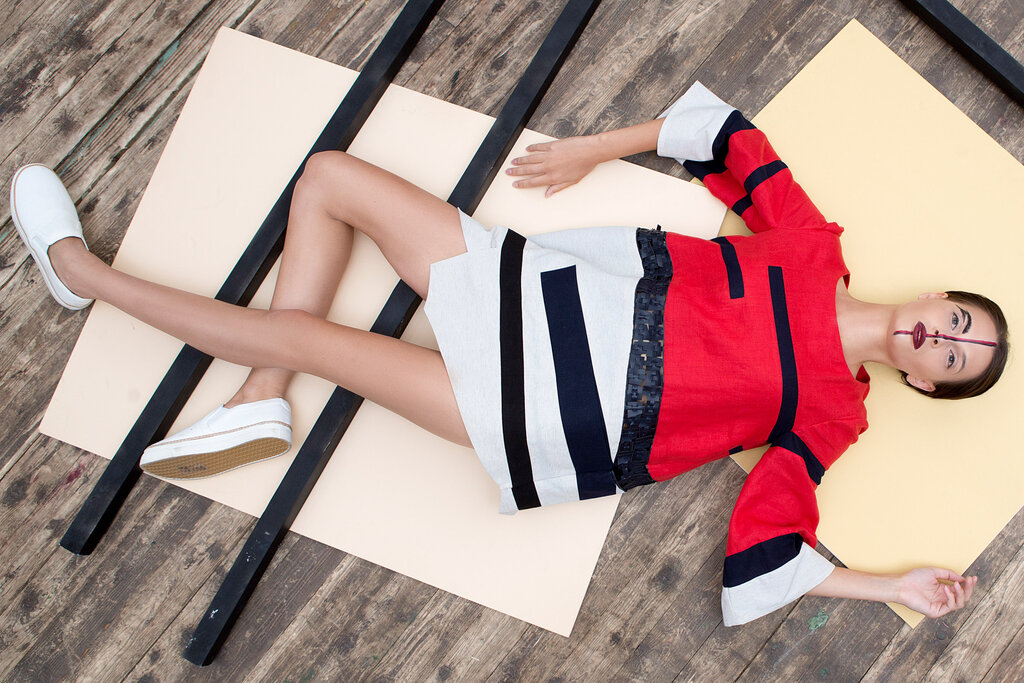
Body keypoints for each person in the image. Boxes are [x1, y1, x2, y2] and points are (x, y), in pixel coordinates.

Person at [12, 83, 1006, 626]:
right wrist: (595, 148)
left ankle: (78, 272)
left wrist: (888, 586)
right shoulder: (813, 246)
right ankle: (261, 396)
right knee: (329, 178)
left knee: (315, 339)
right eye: (960, 320)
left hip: (564, 407)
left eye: (957, 360)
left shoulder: (834, 412)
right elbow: (727, 139)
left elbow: (765, 552)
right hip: (543, 288)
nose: (946, 338)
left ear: (924, 380)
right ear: (936, 297)